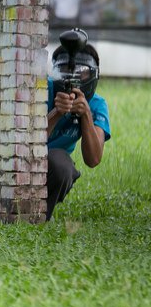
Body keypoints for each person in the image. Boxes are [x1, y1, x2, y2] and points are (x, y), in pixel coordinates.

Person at [46, 29, 110, 220]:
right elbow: (26, 145)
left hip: (54, 163)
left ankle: (37, 218)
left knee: (61, 164)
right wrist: (56, 113)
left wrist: (85, 115)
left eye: (81, 73)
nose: (71, 78)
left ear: (94, 75)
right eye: (64, 70)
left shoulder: (97, 104)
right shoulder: (42, 90)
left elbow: (93, 160)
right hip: (23, 159)